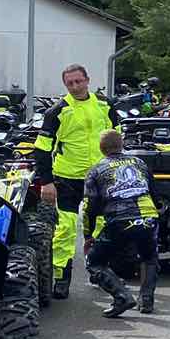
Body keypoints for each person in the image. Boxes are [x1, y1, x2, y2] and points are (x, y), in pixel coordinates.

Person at [33, 64, 121, 299]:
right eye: (69, 83)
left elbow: (117, 139)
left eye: (78, 81)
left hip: (101, 176)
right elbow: (42, 149)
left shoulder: (105, 105)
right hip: (67, 178)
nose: (74, 86)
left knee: (102, 226)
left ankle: (98, 271)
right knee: (66, 230)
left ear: (87, 80)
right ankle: (61, 278)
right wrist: (46, 182)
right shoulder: (57, 112)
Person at [80, 129, 160, 317]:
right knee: (149, 258)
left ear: (101, 148)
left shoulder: (96, 170)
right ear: (122, 145)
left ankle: (122, 297)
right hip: (149, 218)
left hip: (118, 221)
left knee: (94, 261)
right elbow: (154, 194)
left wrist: (88, 235)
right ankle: (146, 300)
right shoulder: (140, 163)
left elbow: (89, 207)